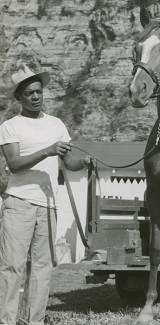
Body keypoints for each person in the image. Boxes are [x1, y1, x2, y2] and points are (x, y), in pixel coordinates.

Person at [0, 64, 91, 325]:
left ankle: (34, 321)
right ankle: (6, 321)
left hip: (48, 205)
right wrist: (47, 151)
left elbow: (68, 162)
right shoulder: (10, 126)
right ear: (19, 97)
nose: (36, 97)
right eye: (29, 93)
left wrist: (84, 163)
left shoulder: (57, 124)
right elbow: (15, 164)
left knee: (42, 268)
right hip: (19, 202)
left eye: (39, 91)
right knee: (12, 267)